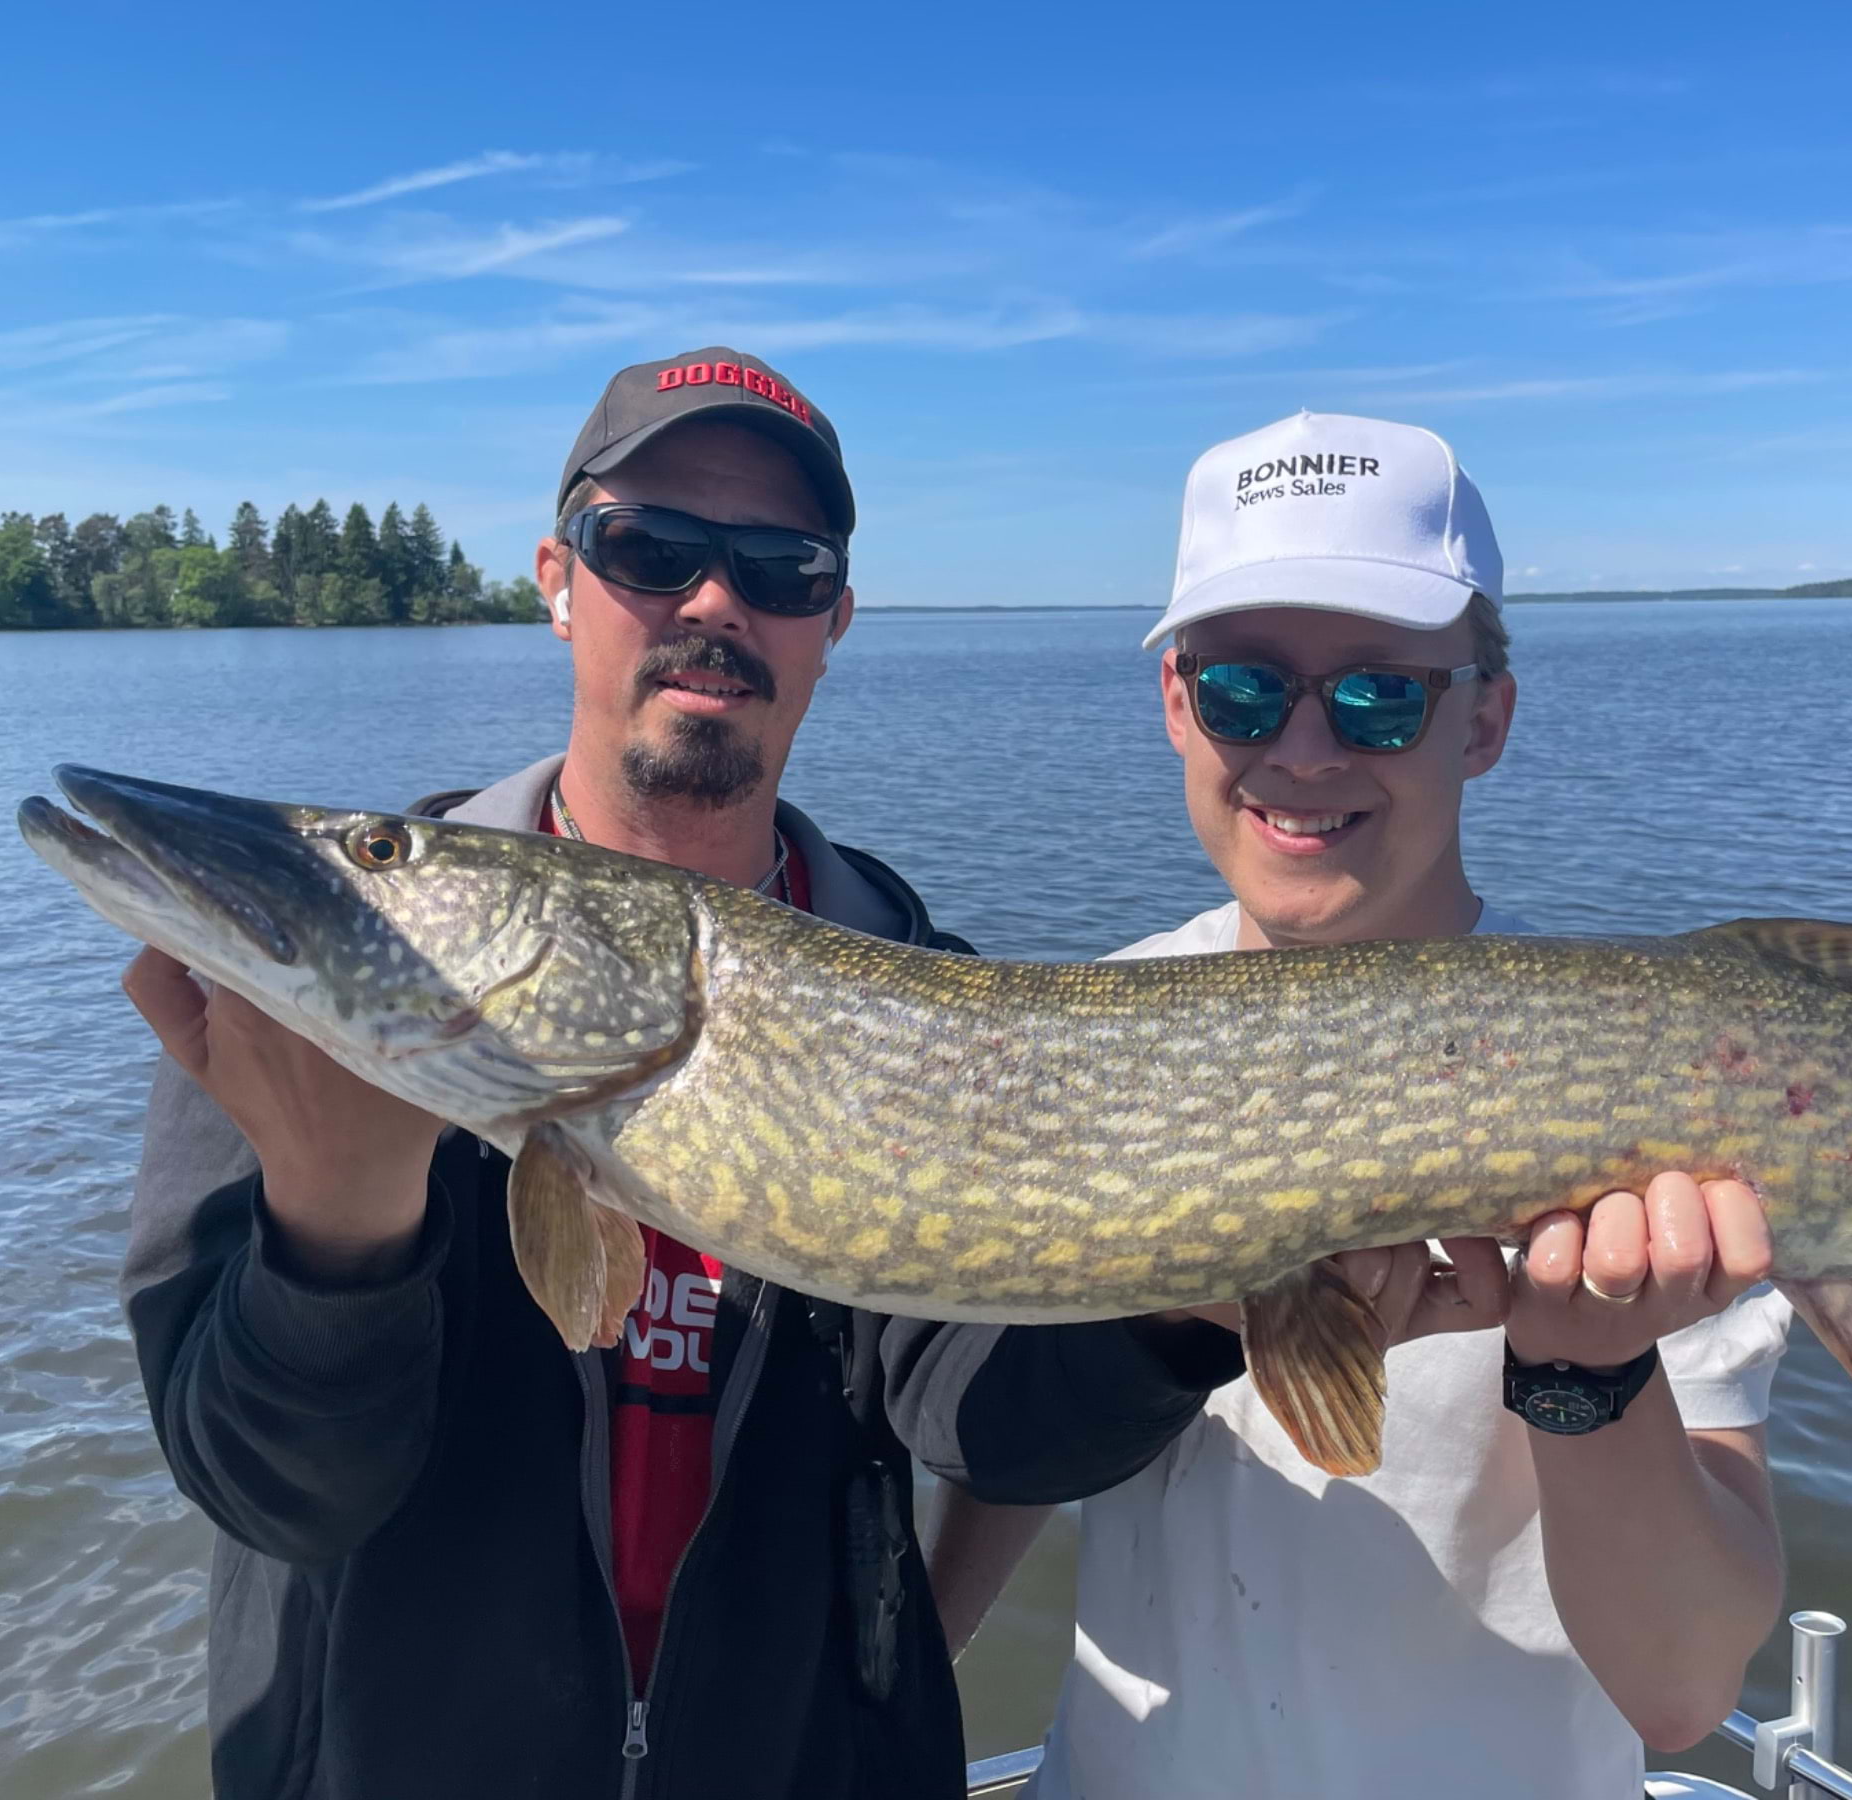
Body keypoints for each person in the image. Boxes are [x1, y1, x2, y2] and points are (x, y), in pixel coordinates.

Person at [117, 346, 1236, 1800]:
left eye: (781, 565)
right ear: (558, 576)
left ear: (833, 621)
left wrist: (1201, 1298)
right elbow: (269, 1493)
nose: (716, 603)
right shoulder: (331, 991)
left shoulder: (916, 991)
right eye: (651, 548)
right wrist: (339, 1222)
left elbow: (988, 1422)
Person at [914, 411, 1795, 1798]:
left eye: (1381, 694)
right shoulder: (1086, 1028)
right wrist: (902, 1694)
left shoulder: (1630, 1073)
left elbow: (1684, 1694)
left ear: (1486, 718)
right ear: (1173, 707)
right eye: (1245, 694)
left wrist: (1587, 1374)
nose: (1306, 752)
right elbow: (1025, 1443)